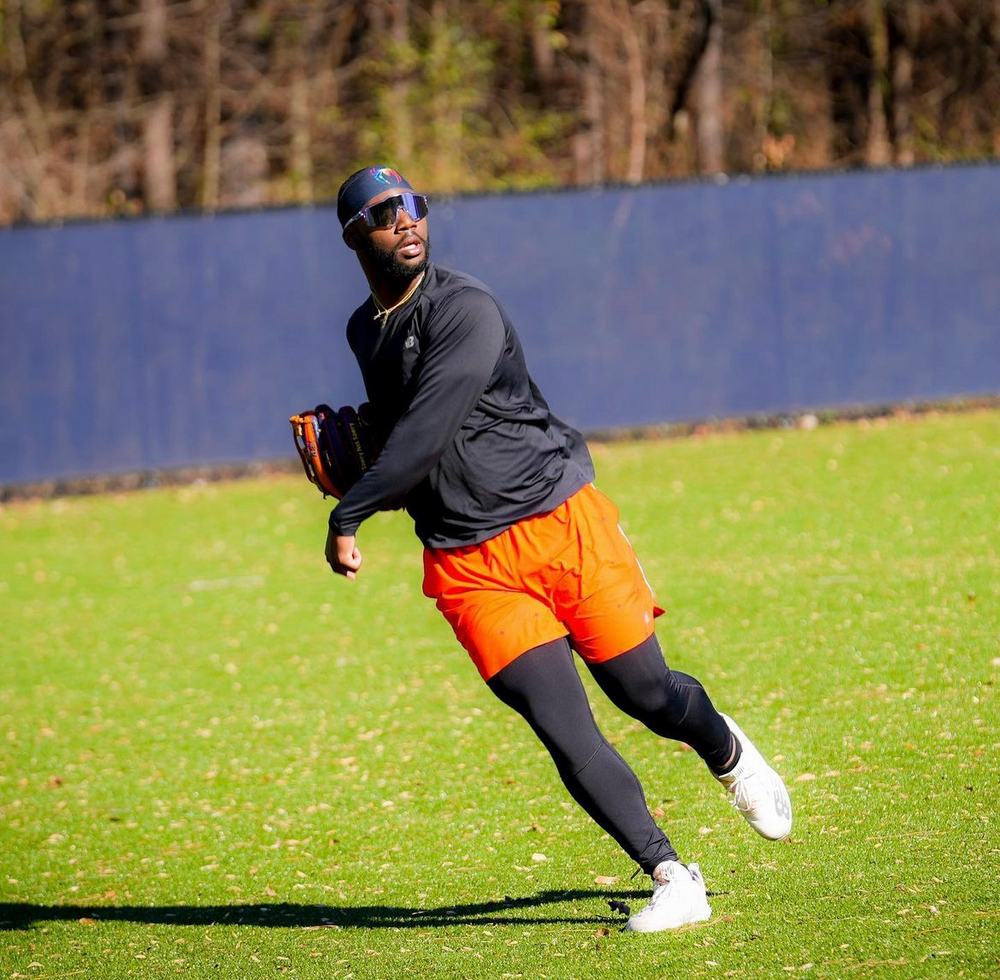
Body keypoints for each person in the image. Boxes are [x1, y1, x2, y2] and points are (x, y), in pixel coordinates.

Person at [324, 165, 792, 932]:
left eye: (413, 204)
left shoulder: (465, 309)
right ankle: (672, 877)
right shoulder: (363, 331)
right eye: (383, 212)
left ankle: (728, 753)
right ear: (353, 237)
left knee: (646, 694)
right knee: (563, 728)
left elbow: (432, 427)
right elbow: (413, 440)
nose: (405, 219)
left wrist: (352, 509)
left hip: (558, 521)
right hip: (470, 563)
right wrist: (379, 467)